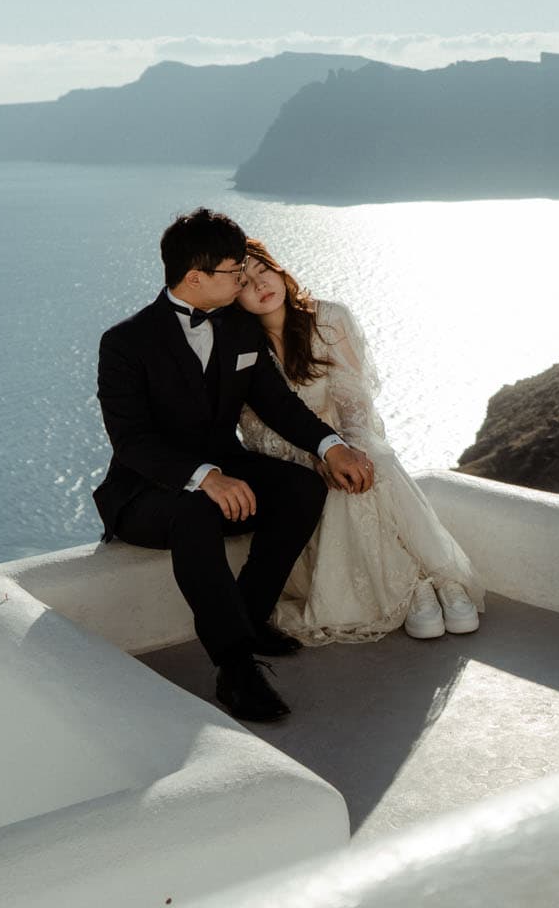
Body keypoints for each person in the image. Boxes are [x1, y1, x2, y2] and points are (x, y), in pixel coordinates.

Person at [91, 208, 377, 723]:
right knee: (195, 511)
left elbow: (278, 404)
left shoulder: (239, 328)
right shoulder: (125, 343)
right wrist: (205, 477)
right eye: (233, 270)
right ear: (195, 278)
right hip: (147, 493)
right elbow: (132, 442)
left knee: (302, 488)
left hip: (225, 471)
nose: (243, 277)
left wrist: (330, 445)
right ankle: (236, 668)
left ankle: (249, 617)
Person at [233, 237, 486, 643]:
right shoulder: (241, 346)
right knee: (333, 485)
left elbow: (354, 402)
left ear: (279, 270)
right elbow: (259, 430)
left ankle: (440, 580)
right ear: (232, 296)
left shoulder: (329, 318)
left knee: (370, 466)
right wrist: (316, 457)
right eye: (244, 282)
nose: (260, 284)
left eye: (264, 270)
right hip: (292, 460)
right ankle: (412, 586)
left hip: (346, 440)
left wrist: (342, 451)